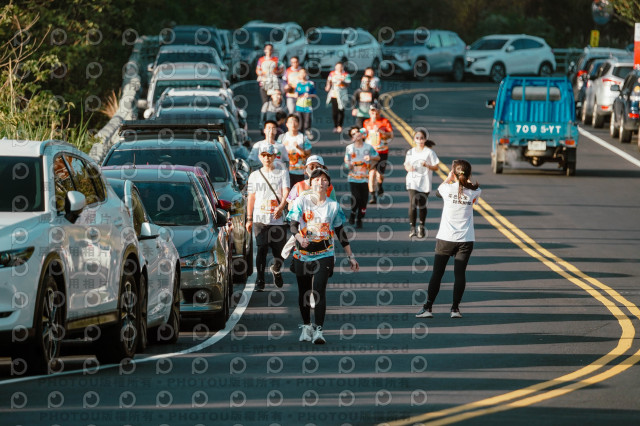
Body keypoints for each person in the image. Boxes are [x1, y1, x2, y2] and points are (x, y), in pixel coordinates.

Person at [287, 167, 359, 344]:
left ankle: (318, 330)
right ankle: (306, 326)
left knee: (319, 290)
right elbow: (293, 225)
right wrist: (299, 238)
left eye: (324, 179)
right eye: (317, 179)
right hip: (302, 254)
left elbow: (340, 232)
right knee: (304, 292)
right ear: (311, 183)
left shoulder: (333, 206)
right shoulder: (301, 201)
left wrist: (351, 257)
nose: (320, 182)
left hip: (324, 254)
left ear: (328, 185)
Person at [415, 159, 481, 319]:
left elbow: (438, 193)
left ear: (454, 173)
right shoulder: (476, 191)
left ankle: (428, 307)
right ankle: (455, 309)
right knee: (460, 274)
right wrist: (466, 181)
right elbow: (472, 199)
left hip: (446, 238)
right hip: (466, 239)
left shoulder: (446, 188)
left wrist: (449, 178)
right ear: (469, 174)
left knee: (437, 273)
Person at [246, 144, 291, 291]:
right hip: (260, 219)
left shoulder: (282, 173)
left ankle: (276, 269)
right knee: (261, 249)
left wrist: (281, 206)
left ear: (274, 156)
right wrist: (249, 218)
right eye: (264, 155)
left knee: (280, 252)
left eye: (269, 155)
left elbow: (286, 192)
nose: (267, 158)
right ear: (260, 157)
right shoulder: (254, 175)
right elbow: (251, 198)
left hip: (278, 218)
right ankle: (260, 280)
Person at [404, 130, 440, 238]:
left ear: (425, 139)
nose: (419, 140)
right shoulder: (410, 152)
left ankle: (421, 226)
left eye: (422, 138)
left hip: (424, 182)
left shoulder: (429, 152)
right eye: (417, 138)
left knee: (422, 205)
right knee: (413, 203)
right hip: (412, 181)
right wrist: (408, 168)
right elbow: (406, 164)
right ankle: (412, 228)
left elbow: (436, 167)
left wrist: (427, 165)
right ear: (414, 139)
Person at [344, 126, 379, 228]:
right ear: (352, 138)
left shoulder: (368, 147)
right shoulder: (349, 148)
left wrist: (370, 157)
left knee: (363, 201)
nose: (357, 134)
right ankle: (353, 212)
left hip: (365, 178)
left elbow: (378, 157)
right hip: (353, 177)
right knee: (356, 197)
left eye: (358, 132)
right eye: (353, 134)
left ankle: (360, 218)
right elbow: (346, 160)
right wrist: (348, 164)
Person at [363, 102, 394, 204]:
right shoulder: (366, 122)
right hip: (371, 152)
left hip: (382, 151)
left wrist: (381, 131)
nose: (374, 114)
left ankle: (380, 186)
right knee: (371, 173)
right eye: (372, 111)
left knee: (379, 175)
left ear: (379, 112)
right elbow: (364, 135)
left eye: (376, 112)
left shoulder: (385, 122)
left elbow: (391, 135)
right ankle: (372, 196)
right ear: (369, 112)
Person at [278, 114, 312, 187]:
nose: (293, 124)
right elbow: (277, 155)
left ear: (298, 124)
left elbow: (308, 155)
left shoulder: (303, 138)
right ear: (286, 124)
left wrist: (299, 148)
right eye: (290, 122)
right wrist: (282, 147)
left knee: (300, 192)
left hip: (300, 172)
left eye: (295, 121)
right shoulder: (282, 137)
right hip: (285, 171)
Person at [325, 62, 351, 133]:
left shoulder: (346, 74)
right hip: (334, 93)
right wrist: (328, 86)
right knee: (335, 111)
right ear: (335, 67)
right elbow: (329, 80)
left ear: (342, 67)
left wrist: (342, 82)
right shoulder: (332, 73)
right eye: (337, 67)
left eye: (340, 67)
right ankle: (335, 126)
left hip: (342, 93)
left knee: (341, 110)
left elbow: (348, 84)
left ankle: (340, 126)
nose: (339, 68)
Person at [295, 68, 316, 139]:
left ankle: (308, 132)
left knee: (307, 121)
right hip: (299, 106)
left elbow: (314, 95)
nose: (302, 74)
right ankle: (300, 135)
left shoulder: (310, 83)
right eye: (301, 73)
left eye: (304, 73)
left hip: (308, 106)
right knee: (300, 122)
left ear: (306, 74)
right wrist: (296, 95)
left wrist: (309, 95)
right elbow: (296, 93)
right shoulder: (298, 83)